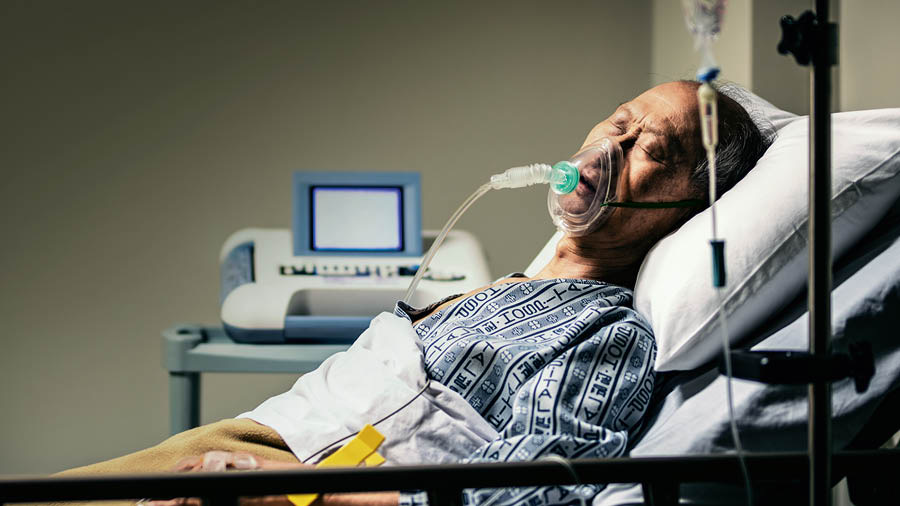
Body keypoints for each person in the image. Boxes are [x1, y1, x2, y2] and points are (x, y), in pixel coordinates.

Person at [58, 81, 771, 506]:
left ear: (690, 206)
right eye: (618, 122)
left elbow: (536, 490)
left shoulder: (607, 332)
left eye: (652, 148)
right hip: (249, 442)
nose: (609, 147)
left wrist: (298, 489)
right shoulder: (517, 285)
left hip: (290, 471)